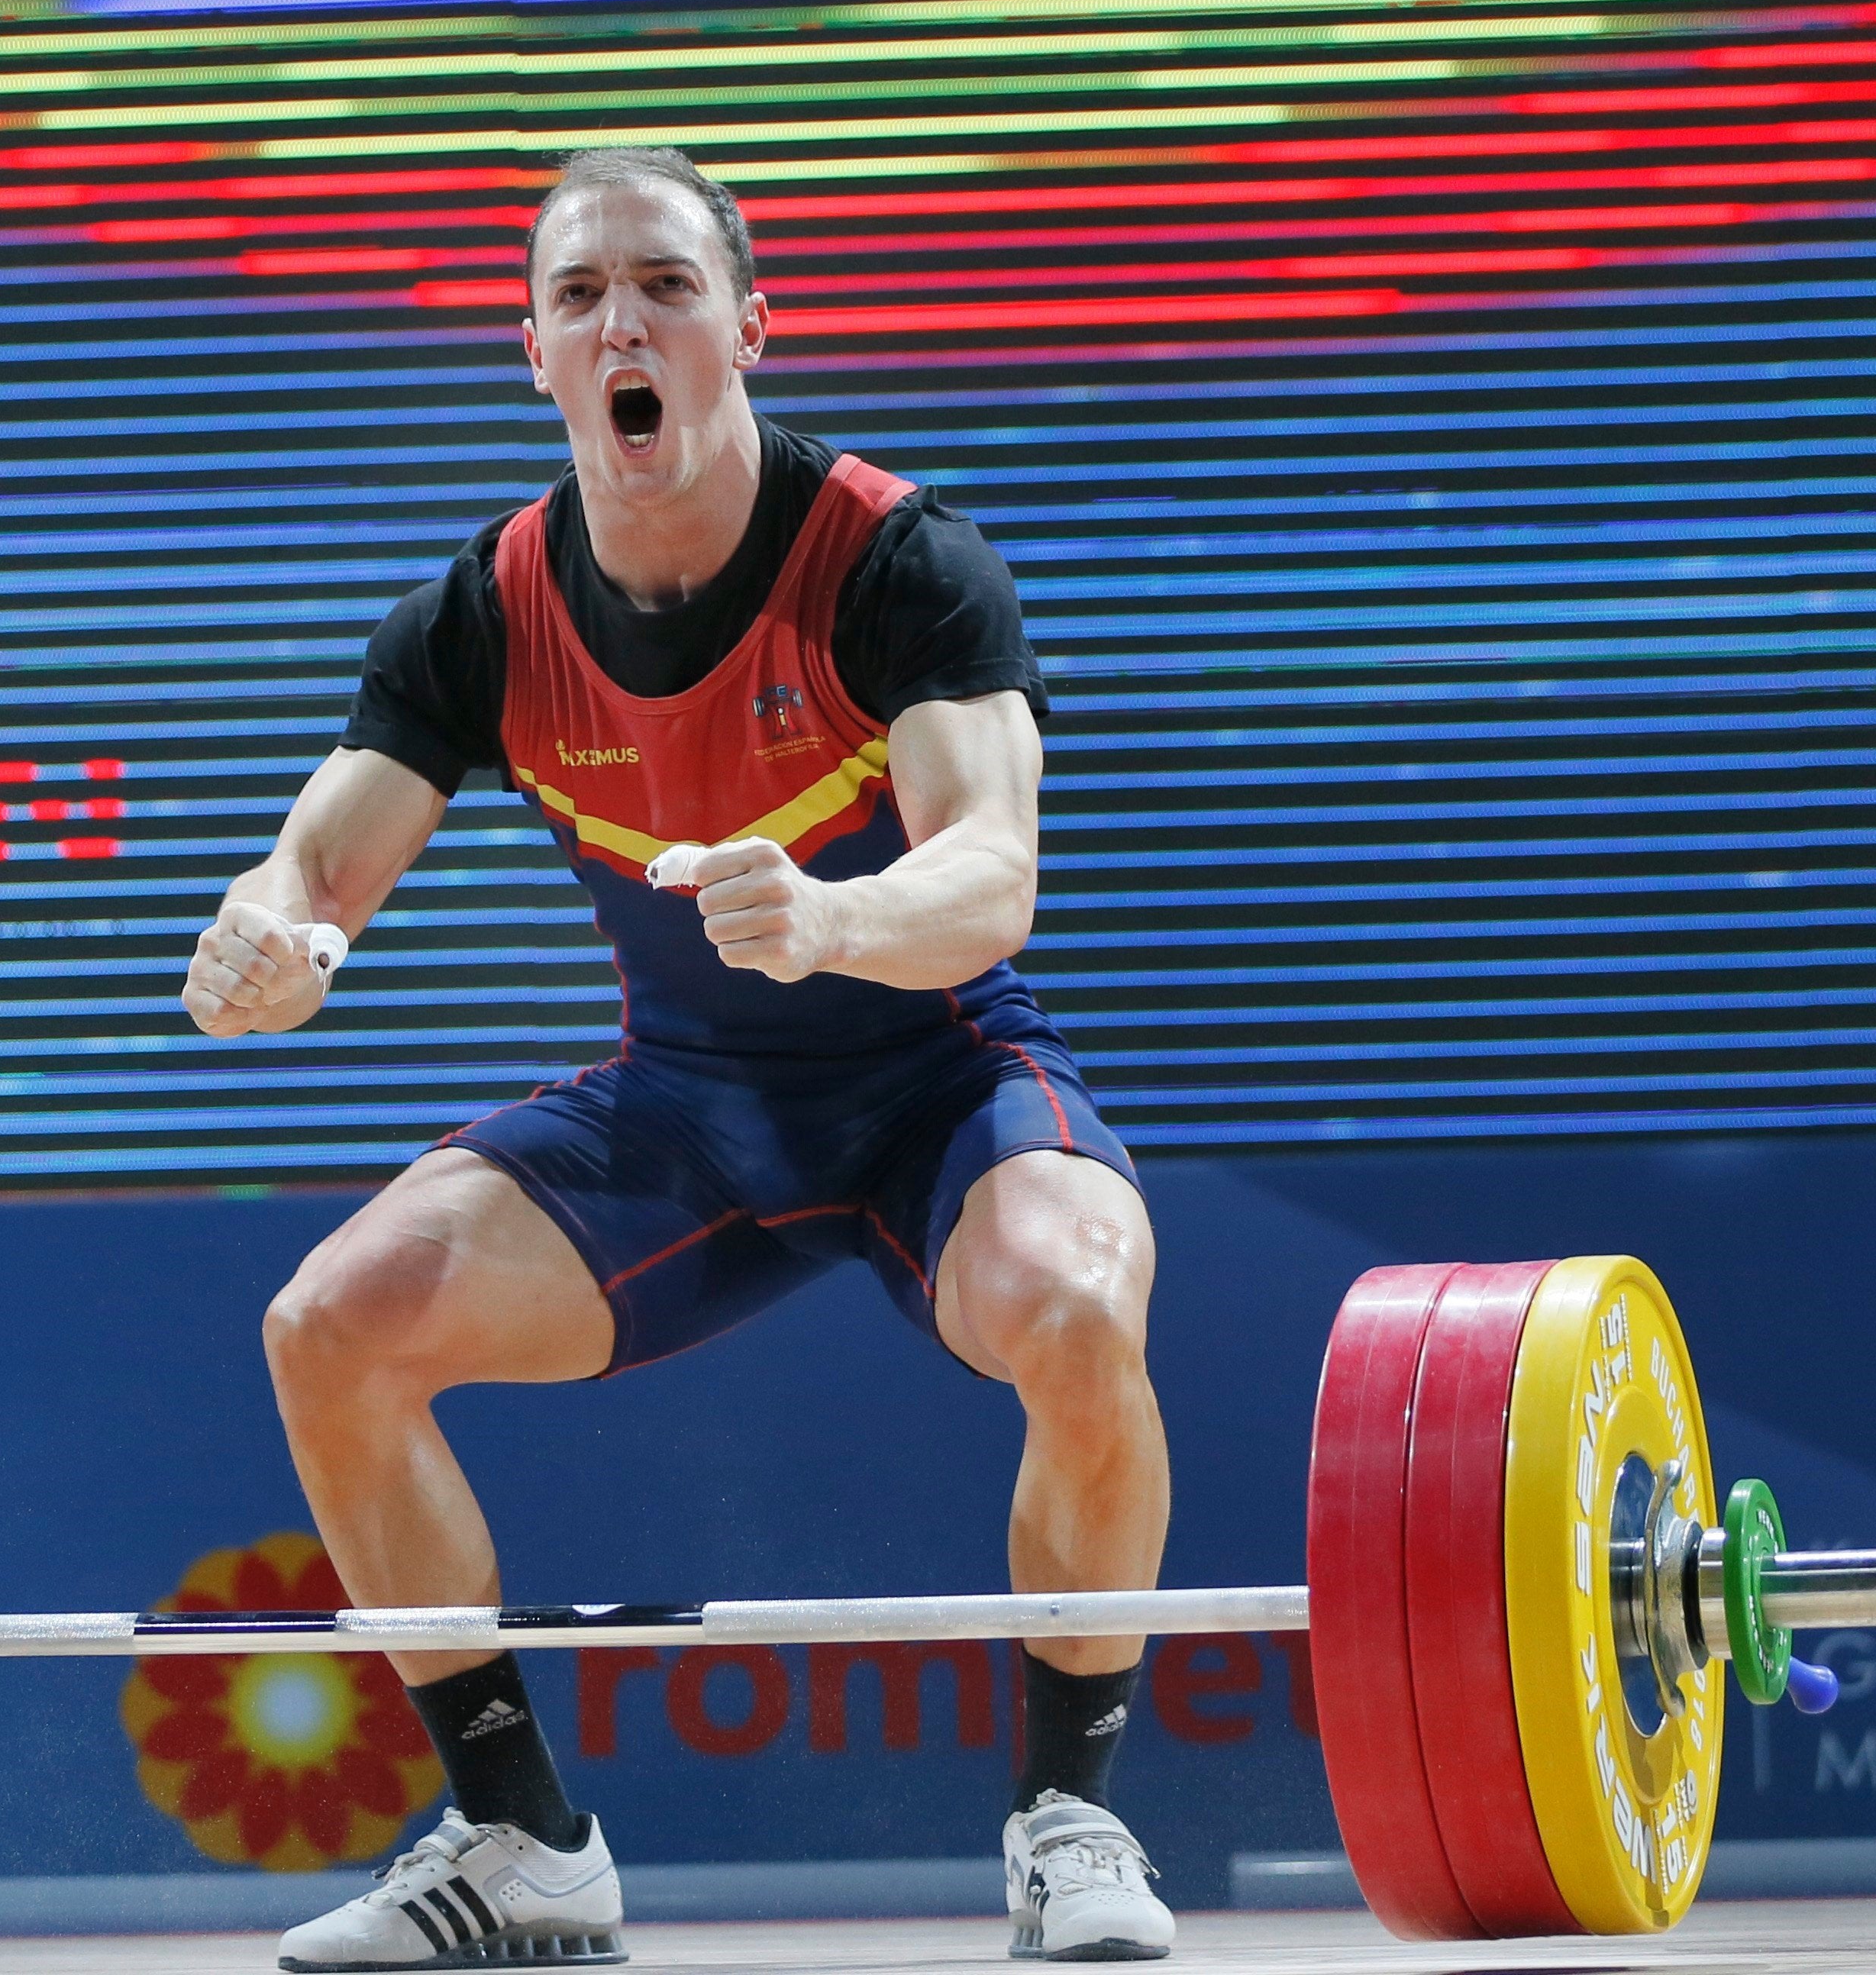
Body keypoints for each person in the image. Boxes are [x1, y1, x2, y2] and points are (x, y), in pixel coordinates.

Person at [182, 147, 1173, 1970]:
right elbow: (323, 857)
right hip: (694, 1120)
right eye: (578, 296)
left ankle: (1071, 1820)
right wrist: (277, 937)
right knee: (330, 1329)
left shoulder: (896, 561)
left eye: (663, 286)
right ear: (537, 357)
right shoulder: (482, 611)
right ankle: (520, 1843)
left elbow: (995, 873)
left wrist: (838, 923)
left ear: (748, 331)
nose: (620, 322)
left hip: (937, 1088)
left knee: (1085, 1309)